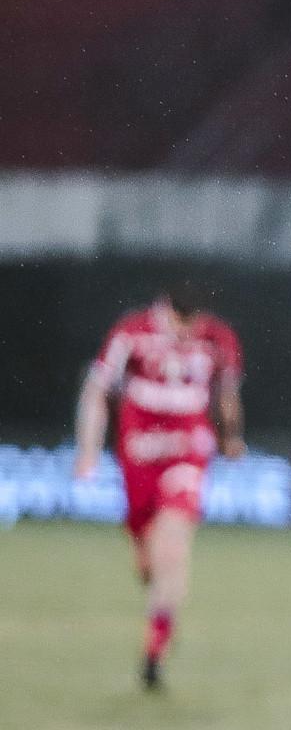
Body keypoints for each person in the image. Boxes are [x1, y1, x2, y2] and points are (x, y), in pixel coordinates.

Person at [74, 284, 245, 690]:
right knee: (149, 566)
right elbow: (97, 390)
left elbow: (226, 394)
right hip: (139, 457)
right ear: (164, 309)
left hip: (188, 452)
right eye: (180, 322)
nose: (187, 331)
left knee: (173, 547)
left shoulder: (218, 338)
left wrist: (231, 436)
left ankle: (154, 653)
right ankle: (162, 608)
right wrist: (88, 450)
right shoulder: (131, 333)